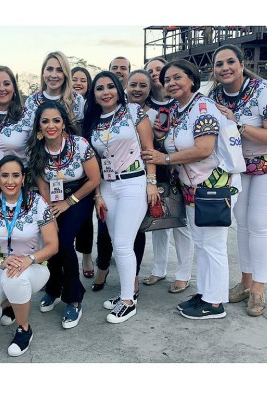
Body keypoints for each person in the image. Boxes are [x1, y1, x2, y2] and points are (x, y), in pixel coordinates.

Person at [142, 59, 239, 320]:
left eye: (177, 78)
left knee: (213, 245)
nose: (171, 83)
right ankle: (207, 293)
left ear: (192, 80)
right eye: (168, 79)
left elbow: (204, 149)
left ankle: (215, 303)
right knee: (202, 243)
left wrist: (164, 159)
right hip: (193, 189)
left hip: (212, 186)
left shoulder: (202, 107)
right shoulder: (181, 109)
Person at [209, 44, 267, 316]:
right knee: (241, 223)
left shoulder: (266, 91)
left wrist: (238, 125)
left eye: (231, 62)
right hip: (241, 167)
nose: (225, 68)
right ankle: (244, 281)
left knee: (260, 224)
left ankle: (258, 287)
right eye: (219, 64)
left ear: (242, 64)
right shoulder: (216, 93)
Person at [85, 71, 158, 323]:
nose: (105, 92)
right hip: (107, 187)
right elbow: (92, 162)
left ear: (118, 88)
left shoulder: (133, 112)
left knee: (125, 244)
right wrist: (97, 195)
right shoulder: (93, 121)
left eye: (110, 86)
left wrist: (151, 182)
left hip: (133, 183)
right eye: (99, 88)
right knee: (117, 242)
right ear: (93, 94)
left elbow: (149, 150)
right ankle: (127, 292)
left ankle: (128, 301)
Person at [0, 155, 58, 356]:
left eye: (16, 175)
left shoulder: (37, 203)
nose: (10, 181)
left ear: (24, 178)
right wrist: (1, 263)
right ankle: (10, 303)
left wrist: (29, 259)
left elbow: (53, 245)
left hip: (32, 265)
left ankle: (24, 328)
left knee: (15, 279)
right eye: (5, 176)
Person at [27, 101, 101, 329]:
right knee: (51, 241)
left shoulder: (79, 144)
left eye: (56, 120)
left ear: (64, 123)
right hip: (51, 199)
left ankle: (74, 298)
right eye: (45, 121)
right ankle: (53, 288)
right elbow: (42, 185)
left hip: (79, 195)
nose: (51, 126)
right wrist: (49, 210)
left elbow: (94, 179)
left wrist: (69, 202)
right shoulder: (37, 148)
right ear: (39, 125)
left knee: (64, 242)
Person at [142, 59, 194, 293]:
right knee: (158, 221)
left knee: (181, 223)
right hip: (154, 166)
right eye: (150, 70)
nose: (155, 74)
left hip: (180, 167)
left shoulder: (181, 102)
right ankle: (158, 269)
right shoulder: (142, 102)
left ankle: (183, 273)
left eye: (158, 69)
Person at [71, 66, 95, 278]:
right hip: (60, 167)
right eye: (74, 79)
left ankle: (86, 255)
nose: (78, 83)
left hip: (86, 165)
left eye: (83, 80)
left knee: (86, 217)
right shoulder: (62, 105)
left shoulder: (90, 107)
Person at [22, 51, 85, 130]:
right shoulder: (31, 101)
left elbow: (79, 133)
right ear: (43, 72)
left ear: (66, 74)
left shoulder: (77, 100)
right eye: (49, 69)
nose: (54, 75)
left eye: (59, 70)